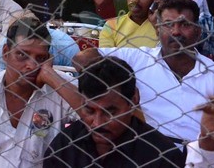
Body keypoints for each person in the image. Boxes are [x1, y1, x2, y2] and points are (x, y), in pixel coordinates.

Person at [99, 0, 214, 144]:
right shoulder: (137, 58)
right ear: (157, 30)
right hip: (141, 150)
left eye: (184, 25)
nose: (176, 32)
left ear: (198, 31)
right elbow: (83, 58)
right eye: (168, 24)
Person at [0, 17, 74, 166]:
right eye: (22, 55)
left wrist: (51, 76)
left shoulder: (60, 87)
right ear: (6, 52)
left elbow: (96, 117)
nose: (32, 65)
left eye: (40, 58)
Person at [44, 56, 185, 167]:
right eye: (89, 111)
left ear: (134, 99)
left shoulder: (162, 157)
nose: (98, 123)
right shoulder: (64, 145)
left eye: (110, 112)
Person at [99, 0, 163, 48]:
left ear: (156, 0)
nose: (134, 0)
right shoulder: (111, 25)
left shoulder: (167, 28)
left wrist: (157, 26)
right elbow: (106, 58)